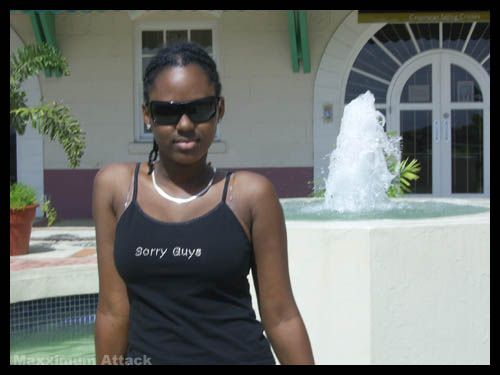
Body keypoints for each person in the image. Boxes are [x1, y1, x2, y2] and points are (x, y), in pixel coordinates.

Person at [93, 42, 314, 365]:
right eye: (167, 111)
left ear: (219, 110)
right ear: (147, 115)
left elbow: (281, 317)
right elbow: (112, 311)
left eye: (199, 109)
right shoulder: (115, 188)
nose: (184, 124)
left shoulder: (250, 196)